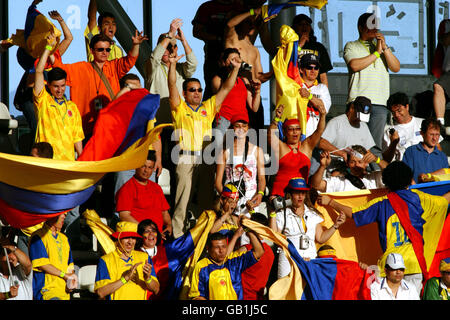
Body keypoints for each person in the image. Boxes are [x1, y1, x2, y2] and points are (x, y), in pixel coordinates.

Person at [318, 161, 450, 294]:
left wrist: (331, 202)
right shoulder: (419, 198)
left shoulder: (381, 203)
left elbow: (353, 213)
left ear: (387, 181)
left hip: (390, 267)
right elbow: (444, 201)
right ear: (408, 179)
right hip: (414, 264)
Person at [168, 49, 240, 239]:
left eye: (199, 90)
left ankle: (204, 237)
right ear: (184, 93)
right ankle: (178, 238)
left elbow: (226, 88)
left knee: (207, 203)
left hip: (206, 158)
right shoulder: (179, 107)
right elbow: (172, 84)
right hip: (185, 157)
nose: (197, 93)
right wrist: (173, 64)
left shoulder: (208, 106)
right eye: (192, 90)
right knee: (182, 201)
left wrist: (236, 69)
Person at [51, 31, 146, 138]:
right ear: (92, 51)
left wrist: (136, 45)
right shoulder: (81, 68)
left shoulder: (113, 67)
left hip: (110, 126)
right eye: (100, 49)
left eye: (107, 49)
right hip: (87, 129)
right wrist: (49, 49)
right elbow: (58, 66)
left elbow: (130, 60)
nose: (104, 52)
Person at [12, 8, 74, 151]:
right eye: (49, 37)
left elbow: (69, 38)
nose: (53, 39)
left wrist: (60, 21)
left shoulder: (55, 56)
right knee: (37, 127)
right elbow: (32, 85)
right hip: (31, 97)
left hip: (47, 97)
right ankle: (36, 156)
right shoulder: (35, 58)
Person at [269, 177, 346, 279]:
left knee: (308, 292)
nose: (300, 196)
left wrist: (336, 225)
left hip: (310, 259)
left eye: (303, 193)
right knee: (286, 291)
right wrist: (272, 213)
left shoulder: (312, 213)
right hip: (289, 260)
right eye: (297, 193)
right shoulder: (282, 214)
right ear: (290, 194)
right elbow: (274, 237)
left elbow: (321, 238)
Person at [344, 12, 400, 150]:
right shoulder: (352, 45)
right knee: (356, 142)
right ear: (361, 28)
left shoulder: (381, 48)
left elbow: (396, 67)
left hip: (380, 102)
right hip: (358, 101)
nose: (374, 30)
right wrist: (376, 54)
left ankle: (374, 171)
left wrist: (384, 48)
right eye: (370, 26)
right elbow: (354, 65)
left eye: (376, 27)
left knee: (375, 145)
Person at [33, 34, 84, 161]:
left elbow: (77, 137)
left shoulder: (72, 107)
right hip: (46, 160)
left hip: (67, 163)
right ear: (48, 85)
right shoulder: (42, 100)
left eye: (62, 86)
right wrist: (48, 48)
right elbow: (39, 71)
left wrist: (82, 159)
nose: (60, 90)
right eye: (56, 86)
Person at [188, 220, 265, 300]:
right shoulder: (201, 266)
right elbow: (196, 295)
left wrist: (248, 231)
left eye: (224, 247)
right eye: (217, 247)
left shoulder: (234, 261)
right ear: (208, 248)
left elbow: (259, 252)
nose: (221, 251)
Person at [145, 18, 197, 125]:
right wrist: (170, 35)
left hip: (179, 124)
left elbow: (193, 63)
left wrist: (184, 41)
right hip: (157, 124)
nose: (165, 50)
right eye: (162, 46)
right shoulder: (153, 67)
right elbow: (154, 57)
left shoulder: (181, 68)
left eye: (169, 46)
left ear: (176, 48)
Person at [268, 102, 326, 199]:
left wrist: (323, 115)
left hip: (300, 195)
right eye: (291, 129)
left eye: (298, 129)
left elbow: (319, 131)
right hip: (280, 194)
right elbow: (270, 135)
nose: (295, 132)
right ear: (285, 132)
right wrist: (276, 119)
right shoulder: (281, 147)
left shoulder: (307, 145)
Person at [192, 0, 245, 101]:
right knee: (213, 90)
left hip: (237, 55)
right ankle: (210, 115)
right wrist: (218, 38)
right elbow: (196, 32)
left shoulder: (239, 6)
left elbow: (250, 27)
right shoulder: (207, 7)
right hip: (213, 56)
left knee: (240, 88)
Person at [215, 115, 266, 216]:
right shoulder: (224, 151)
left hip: (251, 200)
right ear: (232, 129)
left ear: (248, 128)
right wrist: (228, 199)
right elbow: (217, 182)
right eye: (237, 126)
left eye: (244, 126)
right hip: (230, 201)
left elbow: (261, 178)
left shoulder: (257, 150)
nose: (241, 129)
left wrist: (260, 194)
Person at [94, 221, 159, 300]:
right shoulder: (105, 260)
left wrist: (148, 279)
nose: (130, 242)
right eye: (126, 237)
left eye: (133, 238)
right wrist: (124, 279)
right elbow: (100, 292)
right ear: (118, 239)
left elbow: (156, 289)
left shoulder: (144, 257)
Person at [115, 151, 172, 239]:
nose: (146, 170)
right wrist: (147, 231)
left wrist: (169, 225)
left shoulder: (156, 188)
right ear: (136, 166)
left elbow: (164, 212)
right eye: (143, 166)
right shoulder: (127, 188)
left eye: (150, 167)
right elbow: (124, 215)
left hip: (158, 239)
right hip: (140, 239)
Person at [318, 96, 381, 172]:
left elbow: (367, 151)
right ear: (352, 108)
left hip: (356, 169)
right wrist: (341, 153)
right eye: (359, 116)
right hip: (335, 169)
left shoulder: (364, 126)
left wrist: (371, 159)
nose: (360, 119)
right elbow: (322, 143)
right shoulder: (336, 122)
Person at [212, 48, 261, 137]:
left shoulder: (244, 80)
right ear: (225, 62)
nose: (236, 62)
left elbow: (254, 108)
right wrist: (235, 69)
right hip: (224, 119)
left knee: (240, 149)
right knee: (219, 148)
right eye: (233, 59)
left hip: (241, 121)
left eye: (238, 59)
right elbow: (224, 91)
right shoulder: (217, 80)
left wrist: (257, 92)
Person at [29, 213, 78, 300]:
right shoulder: (38, 236)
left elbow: (70, 266)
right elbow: (43, 264)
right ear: (51, 216)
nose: (64, 216)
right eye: (61, 214)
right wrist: (64, 275)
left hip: (64, 293)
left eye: (65, 214)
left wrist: (71, 280)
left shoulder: (64, 238)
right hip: (47, 292)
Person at [382, 92, 443, 162]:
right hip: (404, 167)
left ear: (407, 107)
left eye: (399, 111)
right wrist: (393, 143)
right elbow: (386, 159)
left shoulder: (423, 123)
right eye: (393, 112)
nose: (396, 115)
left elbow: (437, 147)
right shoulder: (390, 131)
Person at [311, 145, 387, 193]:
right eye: (352, 162)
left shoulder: (375, 178)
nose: (356, 165)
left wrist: (377, 160)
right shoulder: (339, 181)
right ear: (347, 164)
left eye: (360, 162)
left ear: (366, 163)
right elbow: (316, 185)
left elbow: (394, 173)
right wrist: (322, 166)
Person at [237, 213, 275, 300]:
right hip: (258, 296)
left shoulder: (246, 249)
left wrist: (236, 235)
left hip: (242, 295)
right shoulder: (270, 252)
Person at [402, 118, 449, 183]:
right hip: (416, 192)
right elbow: (405, 175)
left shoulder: (442, 156)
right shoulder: (411, 151)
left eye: (437, 135)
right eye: (431, 134)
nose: (435, 138)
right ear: (422, 133)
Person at [291, 14, 333, 87]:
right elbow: (286, 63)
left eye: (307, 24)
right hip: (294, 89)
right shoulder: (289, 46)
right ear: (294, 28)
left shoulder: (319, 47)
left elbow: (323, 75)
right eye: (301, 24)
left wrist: (325, 95)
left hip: (315, 90)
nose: (304, 27)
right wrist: (300, 44)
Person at [297, 53, 332, 139]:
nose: (313, 70)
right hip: (296, 137)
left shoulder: (322, 88)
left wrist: (309, 96)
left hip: (314, 138)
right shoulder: (295, 86)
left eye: (316, 68)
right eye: (309, 67)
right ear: (301, 69)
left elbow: (323, 108)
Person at [432, 19, 450, 130]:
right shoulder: (446, 24)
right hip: (448, 71)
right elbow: (445, 40)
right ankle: (440, 122)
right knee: (438, 86)